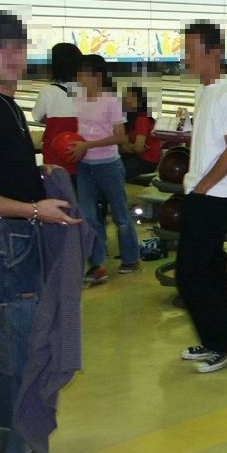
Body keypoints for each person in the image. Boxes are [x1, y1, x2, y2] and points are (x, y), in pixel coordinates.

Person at [0, 11, 82, 453]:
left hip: (16, 245)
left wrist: (37, 180)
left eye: (19, 47)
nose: (12, 56)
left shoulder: (8, 105)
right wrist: (32, 208)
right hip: (2, 250)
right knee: (14, 361)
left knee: (15, 355)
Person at [176, 22, 227, 374]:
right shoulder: (204, 91)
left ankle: (221, 343)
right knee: (209, 273)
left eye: (191, 50)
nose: (186, 57)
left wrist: (203, 187)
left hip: (214, 196)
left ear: (214, 53)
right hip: (200, 192)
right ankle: (217, 338)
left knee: (190, 274)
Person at [69, 55, 140, 283]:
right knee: (89, 217)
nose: (79, 78)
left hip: (108, 165)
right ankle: (97, 264)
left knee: (120, 216)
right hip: (84, 166)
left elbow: (120, 137)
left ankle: (131, 258)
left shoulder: (111, 101)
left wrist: (87, 146)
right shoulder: (78, 99)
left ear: (97, 76)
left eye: (83, 74)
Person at [32, 43, 81, 175]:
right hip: (81, 154)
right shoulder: (88, 90)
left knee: (57, 188)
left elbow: (37, 117)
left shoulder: (47, 91)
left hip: (54, 158)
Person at [119, 86, 161, 180]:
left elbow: (138, 147)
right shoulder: (130, 119)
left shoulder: (142, 119)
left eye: (130, 97)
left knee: (115, 173)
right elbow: (124, 147)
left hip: (147, 161)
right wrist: (129, 146)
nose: (126, 100)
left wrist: (128, 145)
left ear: (139, 101)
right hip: (136, 156)